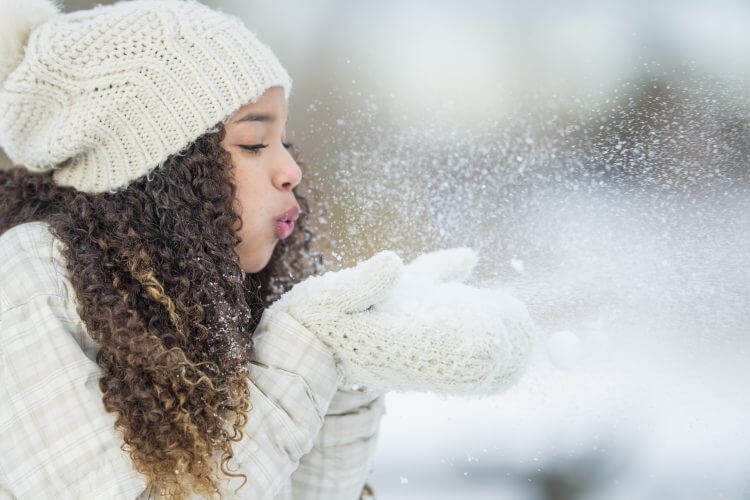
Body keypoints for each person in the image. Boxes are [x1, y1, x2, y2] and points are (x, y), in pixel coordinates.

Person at [0, 0, 537, 499]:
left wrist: (347, 375)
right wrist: (302, 349)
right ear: (158, 175)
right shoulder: (26, 279)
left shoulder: (199, 301)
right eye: (254, 144)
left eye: (283, 140)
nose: (291, 170)